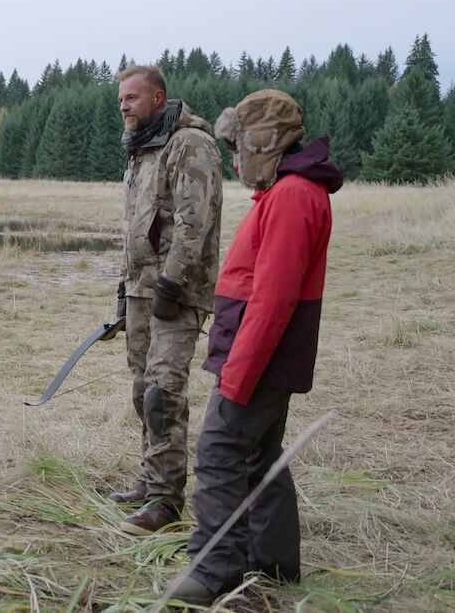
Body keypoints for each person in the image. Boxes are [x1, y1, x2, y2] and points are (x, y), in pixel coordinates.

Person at [164, 89, 341, 605]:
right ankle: (275, 561)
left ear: (265, 142)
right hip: (262, 355)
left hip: (259, 357)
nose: (236, 160)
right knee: (260, 456)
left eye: (239, 147)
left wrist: (237, 375)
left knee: (219, 452)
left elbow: (273, 299)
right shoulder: (291, 192)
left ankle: (214, 570)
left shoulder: (291, 196)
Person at [111, 65, 223, 534]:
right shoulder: (141, 149)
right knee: (142, 390)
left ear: (158, 98)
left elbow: (195, 222)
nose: (124, 106)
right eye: (120, 99)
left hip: (177, 293)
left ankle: (165, 499)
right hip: (141, 291)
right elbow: (139, 226)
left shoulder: (190, 144)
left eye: (132, 98)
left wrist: (172, 284)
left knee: (163, 391)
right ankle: (150, 477)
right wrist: (125, 287)